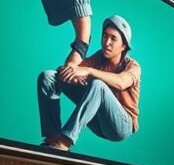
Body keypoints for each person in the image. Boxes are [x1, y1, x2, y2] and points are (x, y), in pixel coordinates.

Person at [38, 15, 141, 151]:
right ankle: (52, 139)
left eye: (113, 38)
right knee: (49, 77)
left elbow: (121, 82)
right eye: (105, 36)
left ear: (124, 46)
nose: (107, 42)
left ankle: (64, 142)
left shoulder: (132, 66)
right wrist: (75, 60)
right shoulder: (99, 57)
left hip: (120, 127)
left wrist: (89, 71)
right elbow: (72, 69)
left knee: (98, 85)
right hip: (97, 120)